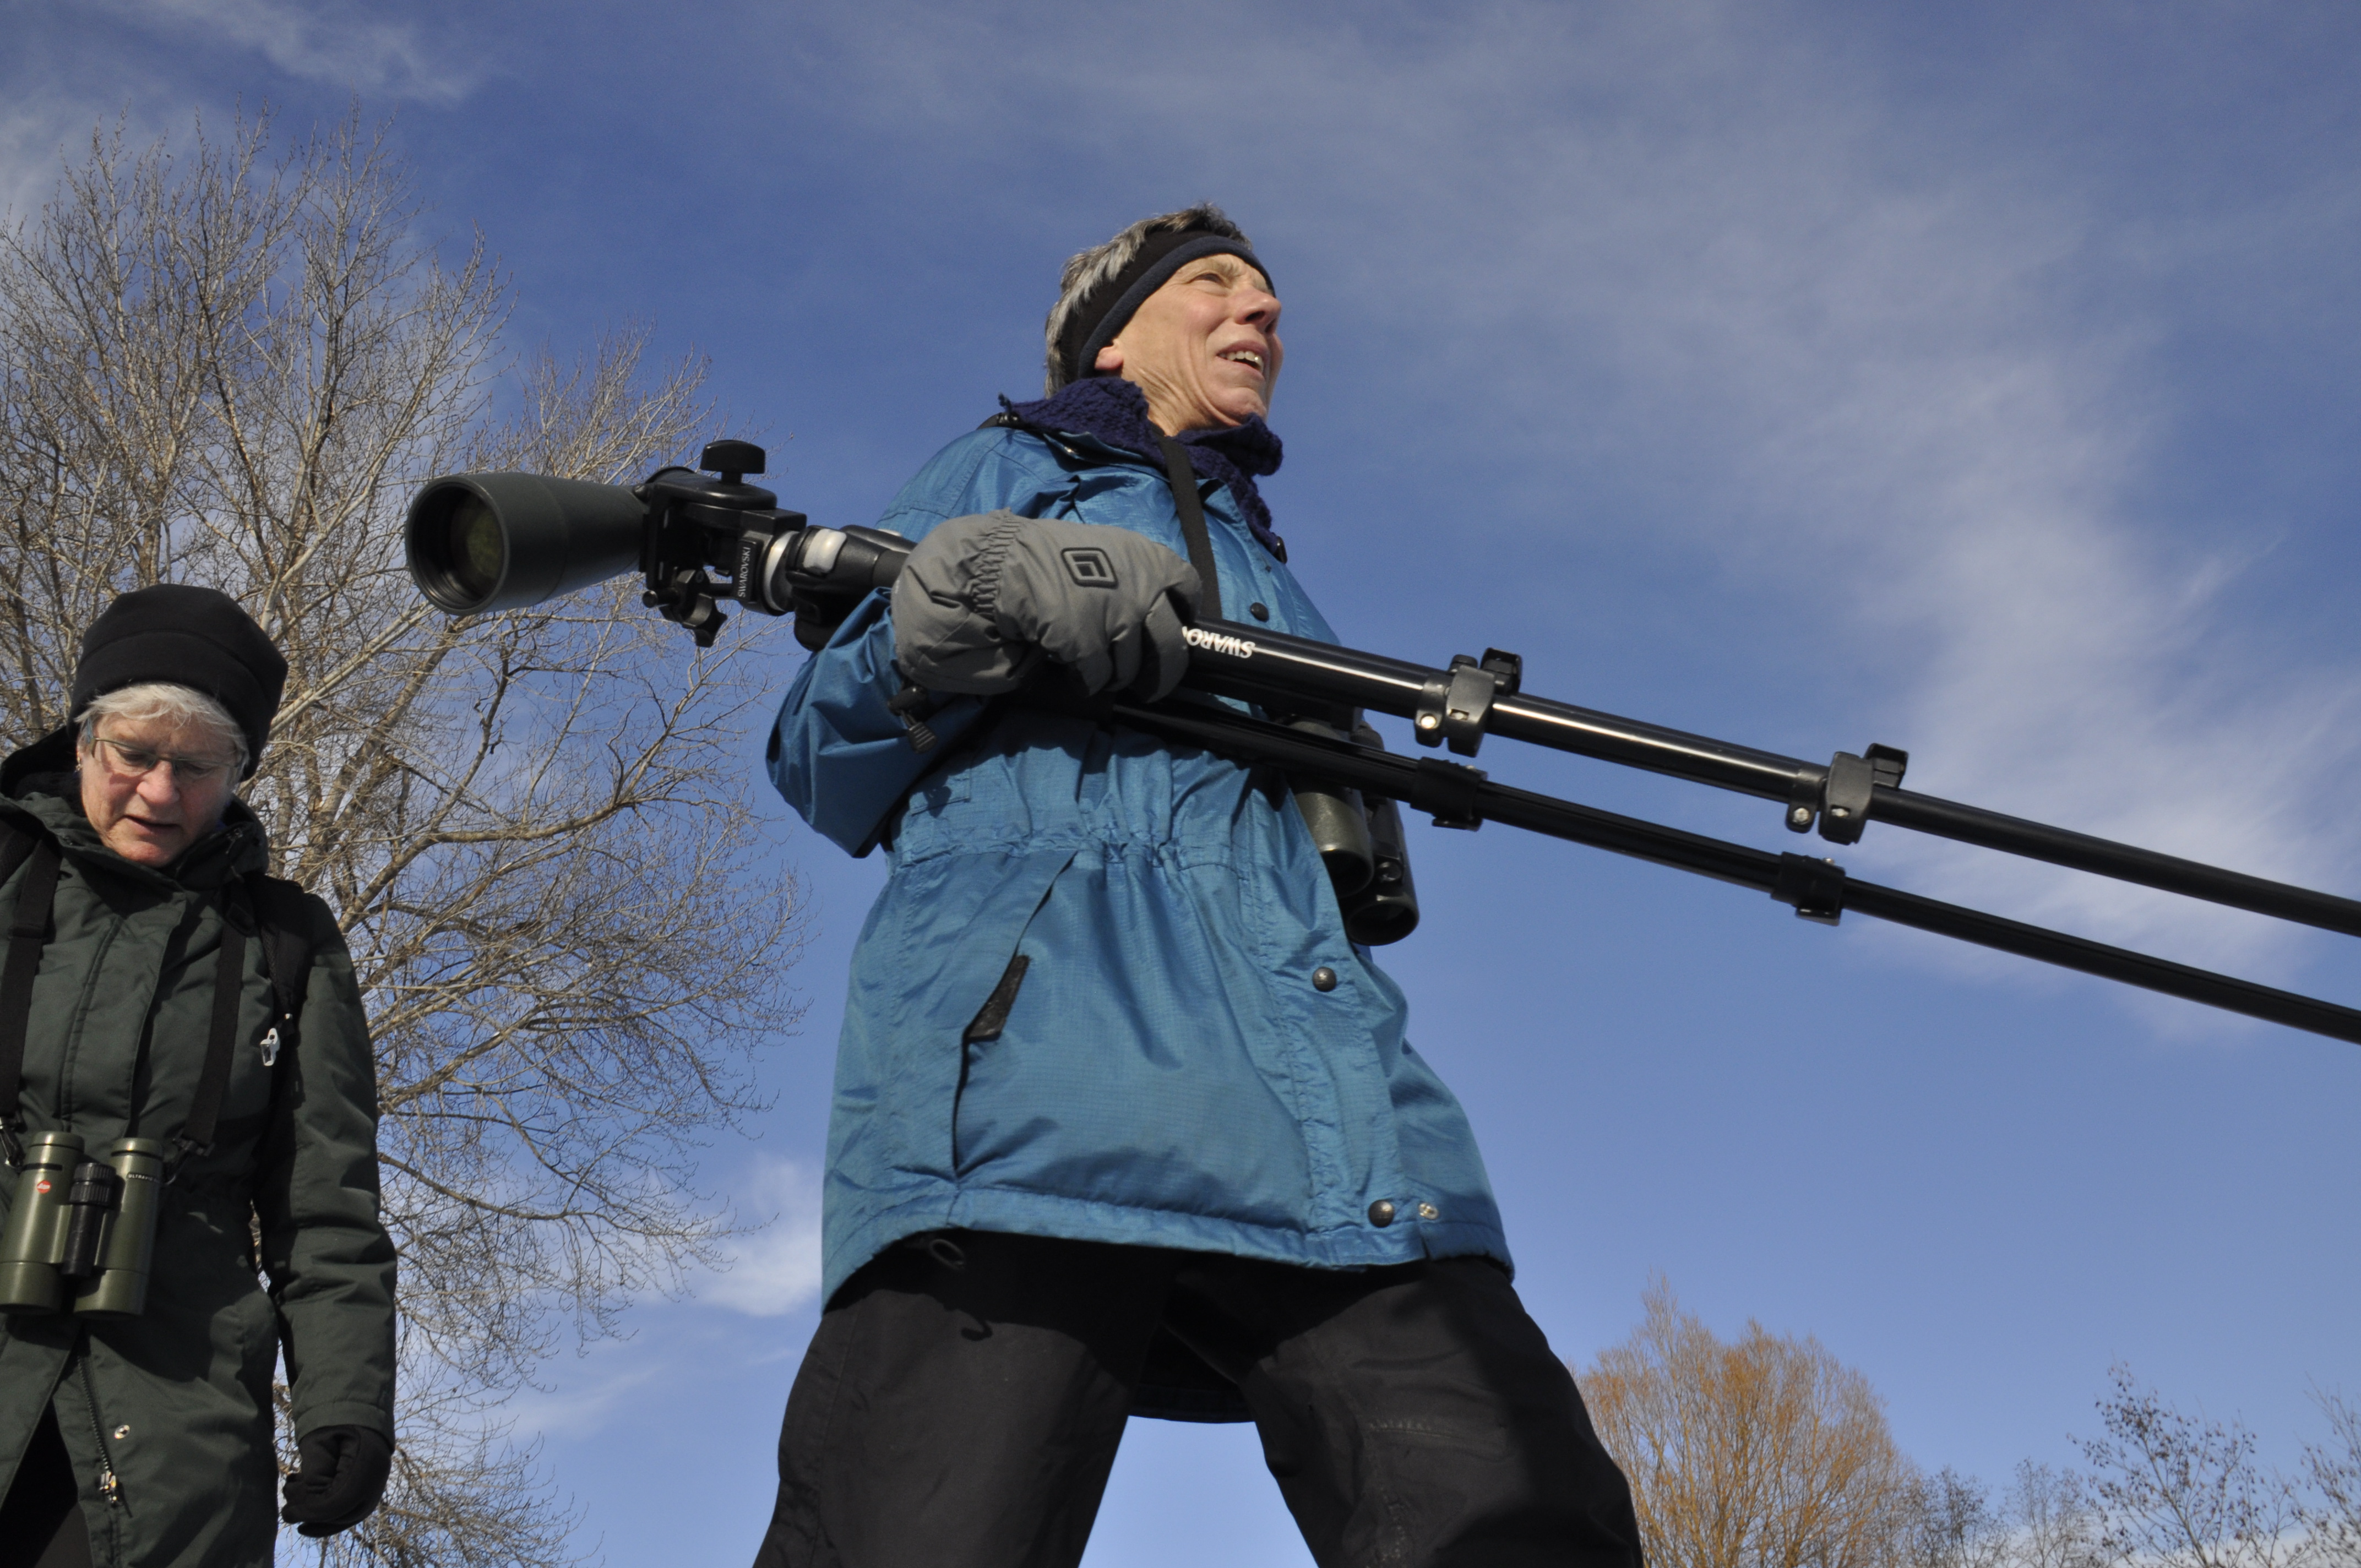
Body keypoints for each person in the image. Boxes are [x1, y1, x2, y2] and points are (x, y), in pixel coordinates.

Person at [758, 206, 1644, 1568]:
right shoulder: (1009, 464)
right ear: (1107, 341)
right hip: (1033, 1092)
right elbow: (819, 751)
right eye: (1216, 284)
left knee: (1525, 1519)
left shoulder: (1265, 563)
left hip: (1332, 1112)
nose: (1262, 312)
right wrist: (951, 612)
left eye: (1269, 296)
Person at [0, 586, 396, 1568]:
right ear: (83, 742)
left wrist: (346, 1405)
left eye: (196, 767)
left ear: (239, 776)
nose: (159, 793)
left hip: (175, 1423)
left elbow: (325, 1205)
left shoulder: (287, 943)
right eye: (134, 755)